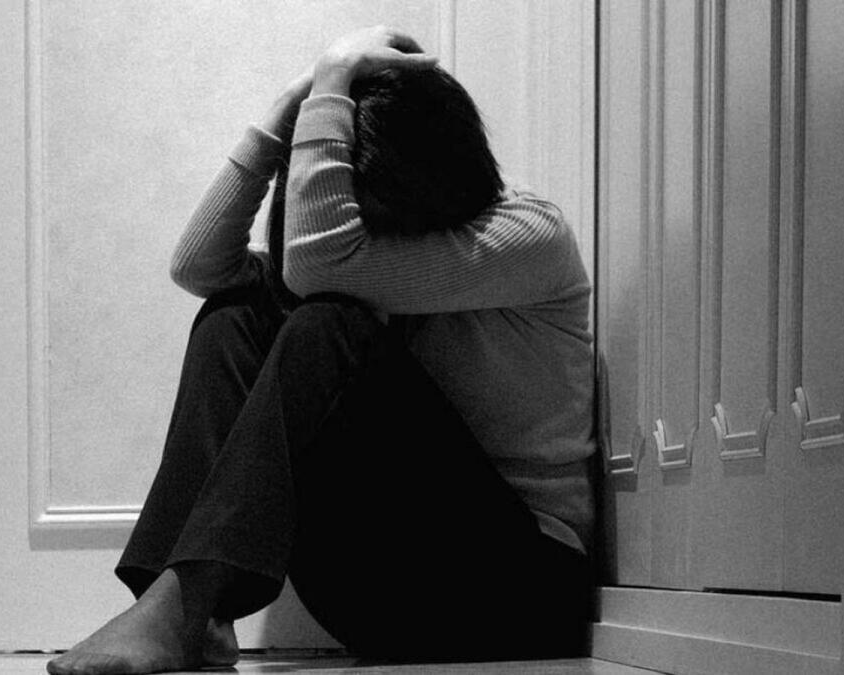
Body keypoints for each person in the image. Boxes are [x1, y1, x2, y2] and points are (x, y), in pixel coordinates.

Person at [47, 26, 596, 675]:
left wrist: (335, 73)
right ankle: (190, 610)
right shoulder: (363, 256)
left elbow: (318, 268)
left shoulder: (528, 233)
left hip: (517, 588)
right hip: (375, 594)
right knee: (235, 312)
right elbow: (201, 267)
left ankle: (184, 604)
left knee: (328, 319)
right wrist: (291, 107)